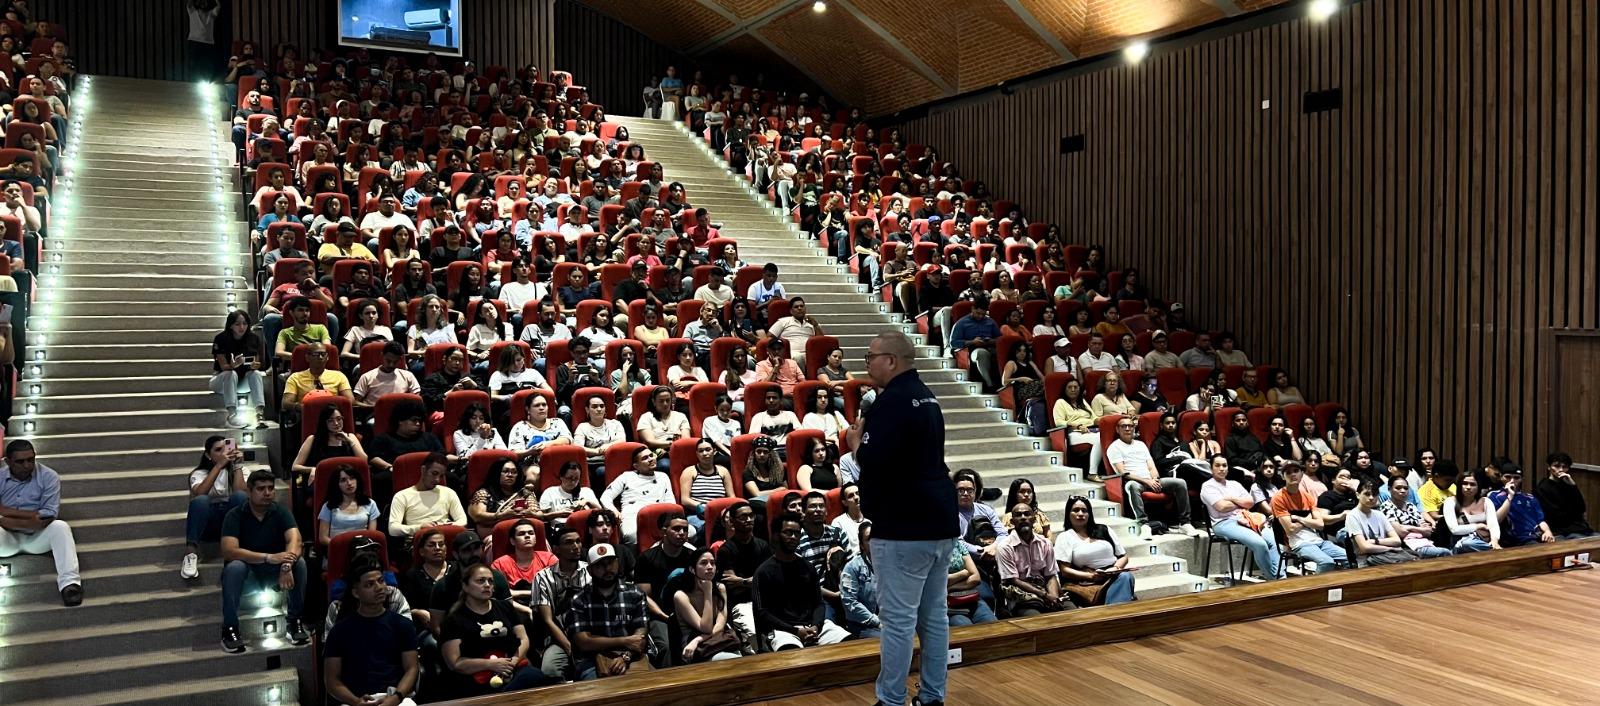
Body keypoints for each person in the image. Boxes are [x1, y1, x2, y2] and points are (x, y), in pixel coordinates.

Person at [851, 330, 958, 706]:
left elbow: (876, 462)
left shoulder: (891, 402)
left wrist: (854, 449)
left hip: (904, 526)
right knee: (934, 619)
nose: (867, 363)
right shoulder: (928, 398)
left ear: (891, 361)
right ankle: (932, 696)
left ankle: (892, 699)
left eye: (870, 356)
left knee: (897, 622)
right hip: (938, 521)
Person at [220, 470, 310, 652]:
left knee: (299, 563)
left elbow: (295, 540)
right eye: (261, 489)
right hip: (249, 575)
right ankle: (230, 628)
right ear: (249, 491)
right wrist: (267, 557)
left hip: (276, 573)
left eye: (271, 488)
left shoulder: (281, 511)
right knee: (234, 567)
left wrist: (286, 564)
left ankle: (294, 621)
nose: (267, 493)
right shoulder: (235, 515)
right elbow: (229, 551)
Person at [439, 563, 552, 696]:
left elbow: (523, 639)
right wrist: (490, 665)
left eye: (490, 581)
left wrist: (512, 662)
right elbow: (455, 663)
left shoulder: (505, 607)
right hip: (476, 674)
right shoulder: (454, 619)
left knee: (534, 676)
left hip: (511, 668)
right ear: (465, 586)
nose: (487, 585)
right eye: (481, 581)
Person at [323, 560, 421, 706]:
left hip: (395, 697)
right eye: (370, 584)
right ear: (356, 593)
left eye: (381, 581)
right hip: (355, 700)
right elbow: (332, 680)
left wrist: (396, 698)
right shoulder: (340, 631)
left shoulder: (403, 625)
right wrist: (356, 702)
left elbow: (412, 668)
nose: (379, 588)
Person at [752, 512, 852, 650]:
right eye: (788, 532)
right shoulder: (763, 572)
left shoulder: (808, 568)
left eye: (797, 533)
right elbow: (762, 613)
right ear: (775, 536)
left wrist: (816, 626)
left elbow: (819, 603)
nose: (793, 537)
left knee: (849, 643)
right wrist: (796, 631)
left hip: (813, 626)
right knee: (791, 653)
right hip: (784, 630)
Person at [0, 440, 82, 606]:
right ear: (8, 461)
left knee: (61, 527)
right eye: (20, 461)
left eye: (31, 460)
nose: (27, 465)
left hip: (36, 538)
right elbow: (36, 519)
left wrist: (4, 514)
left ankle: (70, 585)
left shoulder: (48, 476)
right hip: (7, 538)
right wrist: (29, 519)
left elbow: (48, 516)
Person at [568, 543, 651, 680]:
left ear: (617, 563)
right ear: (590, 570)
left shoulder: (635, 594)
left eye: (611, 563)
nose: (607, 569)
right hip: (591, 661)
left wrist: (625, 657)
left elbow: (639, 639)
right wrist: (625, 640)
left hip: (631, 657)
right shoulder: (579, 600)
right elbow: (584, 643)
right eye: (600, 565)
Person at [1200, 455, 1283, 581]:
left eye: (1224, 465)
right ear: (1211, 468)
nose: (1221, 469)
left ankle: (1281, 576)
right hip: (1223, 523)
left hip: (1246, 518)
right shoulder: (1208, 486)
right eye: (1217, 465)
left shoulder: (1234, 484)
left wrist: (1232, 499)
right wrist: (1240, 503)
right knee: (1260, 544)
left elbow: (1250, 503)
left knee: (1274, 542)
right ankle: (1273, 579)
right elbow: (1221, 507)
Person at [1107, 417, 1194, 531]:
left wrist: (1155, 479)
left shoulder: (1141, 444)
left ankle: (1185, 523)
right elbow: (1123, 473)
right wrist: (1146, 481)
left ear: (1134, 428)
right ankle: (1143, 524)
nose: (1127, 429)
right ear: (1117, 429)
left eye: (1130, 426)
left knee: (1180, 483)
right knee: (1133, 486)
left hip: (1150, 479)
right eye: (1124, 426)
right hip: (1134, 481)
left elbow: (1151, 466)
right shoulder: (1114, 447)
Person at [182, 436, 247, 580]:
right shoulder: (199, 474)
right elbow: (200, 493)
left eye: (226, 449)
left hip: (230, 524)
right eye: (218, 450)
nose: (223, 453)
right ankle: (190, 553)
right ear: (207, 455)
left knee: (240, 497)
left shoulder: (240, 471)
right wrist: (219, 466)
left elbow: (241, 494)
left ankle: (237, 551)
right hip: (208, 524)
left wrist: (237, 467)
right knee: (201, 500)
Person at [532, 526, 590, 680]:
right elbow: (547, 620)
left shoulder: (591, 571)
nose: (576, 546)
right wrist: (569, 647)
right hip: (559, 636)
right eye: (569, 543)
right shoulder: (542, 577)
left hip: (591, 634)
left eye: (578, 541)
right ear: (556, 549)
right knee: (550, 670)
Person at [1268, 461, 1348, 574]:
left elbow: (1320, 525)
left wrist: (1300, 519)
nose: (1293, 474)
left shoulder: (1307, 496)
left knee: (1350, 558)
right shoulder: (1278, 498)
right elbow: (1290, 530)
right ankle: (1318, 590)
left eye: (1296, 471)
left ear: (1302, 474)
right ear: (1283, 476)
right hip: (1297, 543)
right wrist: (1309, 518)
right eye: (1288, 472)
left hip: (1317, 540)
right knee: (1326, 562)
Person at [1054, 496, 1135, 605]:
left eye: (1084, 510)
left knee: (1126, 576)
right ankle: (1115, 614)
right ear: (1068, 513)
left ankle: (1113, 614)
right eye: (1075, 510)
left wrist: (1115, 568)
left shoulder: (1104, 529)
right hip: (1087, 581)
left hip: (1112, 575)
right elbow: (1064, 570)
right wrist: (1090, 576)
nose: (1080, 513)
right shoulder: (1065, 537)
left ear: (1089, 514)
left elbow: (1123, 556)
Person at [670, 546, 743, 662]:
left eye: (712, 563)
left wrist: (698, 640)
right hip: (694, 646)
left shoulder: (720, 588)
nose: (710, 567)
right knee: (732, 660)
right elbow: (706, 627)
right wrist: (708, 593)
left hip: (717, 639)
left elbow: (720, 625)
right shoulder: (681, 596)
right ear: (692, 569)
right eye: (704, 563)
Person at [995, 503, 1065, 616]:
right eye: (1018, 515)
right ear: (1012, 522)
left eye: (1027, 514)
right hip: (1021, 596)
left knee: (1071, 612)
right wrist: (1044, 595)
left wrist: (1054, 598)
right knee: (1036, 619)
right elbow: (1013, 580)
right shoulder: (1005, 547)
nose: (1023, 517)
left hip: (1045, 590)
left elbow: (1050, 575)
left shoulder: (1045, 543)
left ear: (1034, 519)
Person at [388, 453, 468, 551]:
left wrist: (444, 528)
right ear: (423, 470)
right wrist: (419, 528)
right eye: (434, 474)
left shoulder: (448, 492)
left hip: (446, 541)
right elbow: (393, 529)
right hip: (419, 544)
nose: (437, 479)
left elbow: (462, 520)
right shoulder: (402, 496)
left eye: (441, 476)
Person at [600, 445, 676, 543]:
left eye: (651, 455)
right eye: (645, 458)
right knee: (631, 535)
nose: (650, 459)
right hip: (632, 516)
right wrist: (614, 511)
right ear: (636, 466)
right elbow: (605, 497)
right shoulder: (626, 476)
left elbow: (670, 502)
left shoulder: (663, 477)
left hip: (660, 516)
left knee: (689, 531)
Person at [211, 310, 268, 428]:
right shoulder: (221, 338)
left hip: (243, 382)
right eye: (237, 324)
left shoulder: (253, 339)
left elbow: (256, 362)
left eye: (245, 323)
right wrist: (233, 365)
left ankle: (259, 414)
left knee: (256, 374)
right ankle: (232, 415)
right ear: (231, 325)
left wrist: (255, 366)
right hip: (221, 380)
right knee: (230, 374)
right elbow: (223, 367)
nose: (242, 327)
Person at [1345, 479, 1422, 566]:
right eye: (1367, 494)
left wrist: (1374, 541)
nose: (1371, 498)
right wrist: (1389, 548)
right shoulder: (1352, 515)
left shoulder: (1379, 514)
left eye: (1374, 495)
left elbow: (1397, 541)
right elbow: (1365, 547)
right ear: (1357, 495)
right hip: (1367, 562)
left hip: (1388, 557)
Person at [1376, 476, 1454, 558]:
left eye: (1405, 488)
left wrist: (1408, 528)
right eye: (1398, 488)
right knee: (1445, 553)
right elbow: (1400, 532)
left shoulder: (1411, 506)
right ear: (1389, 489)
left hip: (1425, 542)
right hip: (1406, 546)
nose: (1402, 491)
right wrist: (1419, 529)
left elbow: (1428, 531)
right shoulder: (1386, 507)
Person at [1487, 463, 1555, 547]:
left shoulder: (1530, 497)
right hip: (1516, 540)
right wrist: (1510, 496)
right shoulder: (1494, 495)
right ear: (1501, 477)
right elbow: (1496, 520)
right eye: (1508, 477)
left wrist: (1548, 531)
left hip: (1537, 536)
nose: (1512, 481)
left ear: (1521, 479)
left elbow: (1540, 520)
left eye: (1516, 477)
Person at [1535, 451, 1597, 539]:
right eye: (1556, 466)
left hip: (1580, 528)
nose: (1561, 470)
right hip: (1561, 530)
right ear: (1549, 467)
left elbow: (1581, 508)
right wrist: (1574, 514)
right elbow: (1555, 515)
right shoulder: (1542, 487)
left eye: (1564, 467)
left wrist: (1573, 486)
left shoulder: (1568, 485)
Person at [318, 463, 381, 548]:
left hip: (363, 551)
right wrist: (343, 548)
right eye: (343, 480)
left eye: (352, 478)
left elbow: (372, 535)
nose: (349, 483)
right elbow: (323, 538)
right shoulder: (329, 506)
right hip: (338, 549)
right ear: (337, 484)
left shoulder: (370, 504)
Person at [1052, 377, 1102, 475]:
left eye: (1076, 387)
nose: (1073, 389)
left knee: (1108, 436)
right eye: (1070, 387)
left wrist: (1105, 420)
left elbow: (1094, 418)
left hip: (1090, 430)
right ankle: (1092, 473)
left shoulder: (1082, 401)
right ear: (1065, 390)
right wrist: (1077, 426)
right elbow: (1059, 422)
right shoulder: (1060, 402)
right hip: (1073, 433)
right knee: (1100, 439)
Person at [839, 522, 882, 637]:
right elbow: (849, 601)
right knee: (888, 640)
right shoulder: (852, 567)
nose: (874, 542)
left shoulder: (890, 564)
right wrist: (876, 622)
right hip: (862, 625)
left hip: (889, 621)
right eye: (869, 539)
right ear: (862, 545)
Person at [1443, 469, 1501, 553]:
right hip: (1460, 544)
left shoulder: (1486, 501)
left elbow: (1493, 525)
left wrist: (1495, 541)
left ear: (1478, 487)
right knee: (1466, 543)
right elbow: (1454, 529)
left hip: (1481, 541)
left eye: (1472, 484)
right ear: (1459, 485)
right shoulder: (1450, 502)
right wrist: (1478, 526)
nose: (1468, 487)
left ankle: (1491, 549)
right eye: (1465, 484)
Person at [949, 297, 1001, 391]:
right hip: (970, 350)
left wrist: (990, 341)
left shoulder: (990, 322)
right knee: (981, 353)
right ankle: (990, 385)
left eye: (983, 314)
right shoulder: (961, 323)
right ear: (972, 309)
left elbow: (1000, 339)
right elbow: (953, 343)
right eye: (978, 313)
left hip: (990, 347)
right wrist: (972, 342)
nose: (980, 316)